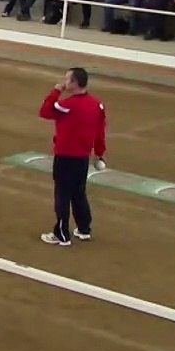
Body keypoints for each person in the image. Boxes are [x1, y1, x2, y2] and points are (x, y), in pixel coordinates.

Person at [38, 68, 106, 247]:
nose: (65, 82)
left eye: (67, 80)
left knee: (62, 194)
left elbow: (45, 111)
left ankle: (61, 234)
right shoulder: (97, 104)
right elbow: (100, 133)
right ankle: (84, 229)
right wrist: (99, 153)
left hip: (65, 156)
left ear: (75, 83)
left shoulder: (67, 105)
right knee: (78, 193)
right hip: (82, 157)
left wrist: (56, 91)